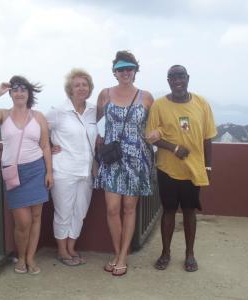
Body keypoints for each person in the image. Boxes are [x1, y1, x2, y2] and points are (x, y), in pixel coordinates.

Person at [0, 75, 53, 275]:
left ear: (29, 94)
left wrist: (49, 173)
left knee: (36, 217)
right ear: (10, 94)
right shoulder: (3, 114)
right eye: (15, 90)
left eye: (23, 90)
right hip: (13, 173)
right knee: (23, 222)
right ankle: (21, 256)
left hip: (36, 170)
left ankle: (30, 258)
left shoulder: (38, 117)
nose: (19, 93)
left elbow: (45, 145)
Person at [146, 65, 217, 272]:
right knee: (168, 211)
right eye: (172, 76)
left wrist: (208, 167)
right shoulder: (159, 106)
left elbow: (208, 138)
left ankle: (190, 254)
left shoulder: (201, 103)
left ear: (188, 78)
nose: (177, 80)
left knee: (189, 211)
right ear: (168, 80)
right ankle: (165, 253)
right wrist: (173, 147)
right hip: (167, 169)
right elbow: (150, 136)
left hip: (193, 170)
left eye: (181, 76)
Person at [95, 51, 154, 276]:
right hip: (112, 159)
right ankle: (118, 251)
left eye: (129, 68)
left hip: (137, 159)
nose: (125, 72)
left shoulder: (146, 97)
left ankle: (121, 257)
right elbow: (95, 125)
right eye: (121, 69)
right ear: (114, 72)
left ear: (135, 71)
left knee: (129, 209)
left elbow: (154, 125)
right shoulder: (104, 95)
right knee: (112, 209)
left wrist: (156, 133)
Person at [46, 68, 97, 266]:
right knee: (63, 212)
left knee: (80, 212)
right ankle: (62, 251)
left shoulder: (93, 110)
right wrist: (49, 147)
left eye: (85, 85)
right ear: (70, 89)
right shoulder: (58, 112)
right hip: (64, 171)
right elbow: (39, 130)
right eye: (77, 85)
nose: (81, 88)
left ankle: (71, 247)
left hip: (86, 172)